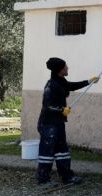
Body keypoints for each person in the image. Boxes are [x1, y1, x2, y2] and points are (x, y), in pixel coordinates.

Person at [37, 57, 98, 187]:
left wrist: (88, 82)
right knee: (47, 152)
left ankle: (67, 177)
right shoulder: (51, 85)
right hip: (48, 124)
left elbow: (71, 86)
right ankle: (43, 180)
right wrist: (61, 110)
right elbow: (48, 105)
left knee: (62, 151)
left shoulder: (61, 81)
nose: (68, 68)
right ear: (60, 70)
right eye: (65, 67)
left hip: (58, 123)